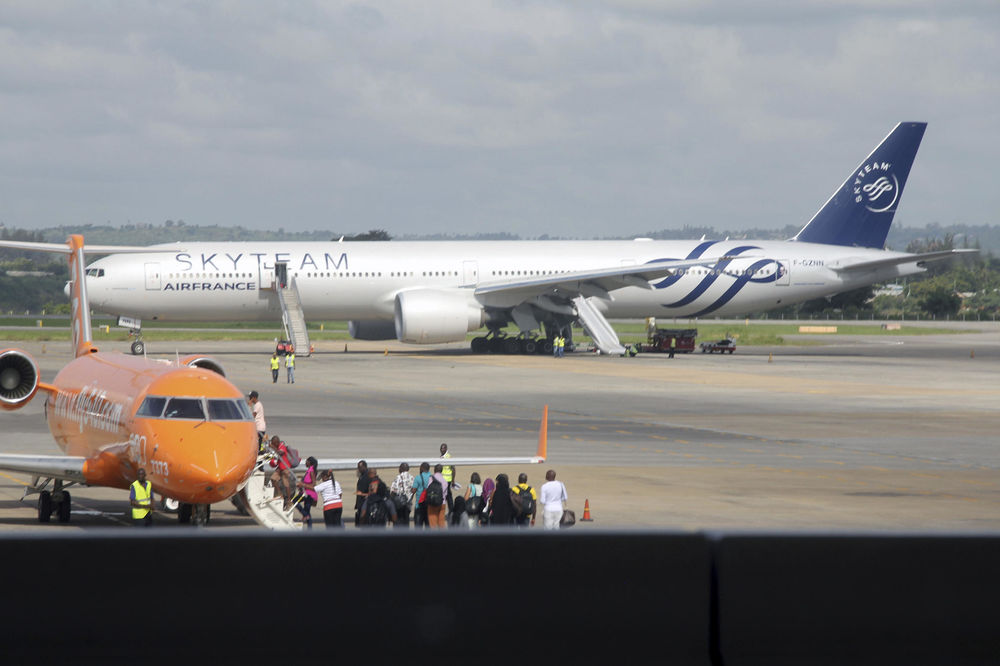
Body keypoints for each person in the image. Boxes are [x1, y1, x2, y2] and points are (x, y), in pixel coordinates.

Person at [267, 435, 295, 511]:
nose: (273, 445)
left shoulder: (282, 446)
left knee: (286, 483)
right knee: (273, 479)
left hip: (285, 467)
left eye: (274, 443)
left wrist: (272, 447)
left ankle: (289, 501)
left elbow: (280, 453)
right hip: (280, 467)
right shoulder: (277, 447)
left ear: (277, 442)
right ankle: (279, 494)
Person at [390, 462, 414, 528]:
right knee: (406, 522)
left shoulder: (398, 477)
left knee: (398, 522)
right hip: (408, 504)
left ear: (401, 469)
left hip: (399, 504)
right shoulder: (412, 478)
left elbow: (393, 491)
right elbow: (413, 490)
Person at [296, 456, 318, 529]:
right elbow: (308, 480)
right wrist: (302, 477)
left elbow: (314, 484)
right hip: (307, 493)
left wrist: (303, 484)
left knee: (294, 500)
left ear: (310, 462)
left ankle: (305, 515)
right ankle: (310, 529)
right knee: (307, 512)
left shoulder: (311, 470)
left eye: (306, 461)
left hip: (308, 494)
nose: (305, 463)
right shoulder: (309, 470)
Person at [425, 463, 448, 528]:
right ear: (442, 471)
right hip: (442, 502)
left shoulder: (431, 479)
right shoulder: (444, 480)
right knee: (441, 522)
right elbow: (445, 493)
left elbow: (428, 489)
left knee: (432, 522)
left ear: (434, 470)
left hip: (432, 502)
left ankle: (434, 534)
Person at [411, 462, 431, 528]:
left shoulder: (418, 478)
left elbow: (413, 490)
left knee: (418, 527)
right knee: (428, 526)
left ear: (422, 468)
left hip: (419, 505)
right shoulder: (432, 477)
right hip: (430, 505)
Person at [353, 460, 369, 527]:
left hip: (365, 502)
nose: (358, 469)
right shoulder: (362, 476)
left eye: (360, 467)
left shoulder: (367, 476)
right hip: (361, 503)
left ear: (364, 467)